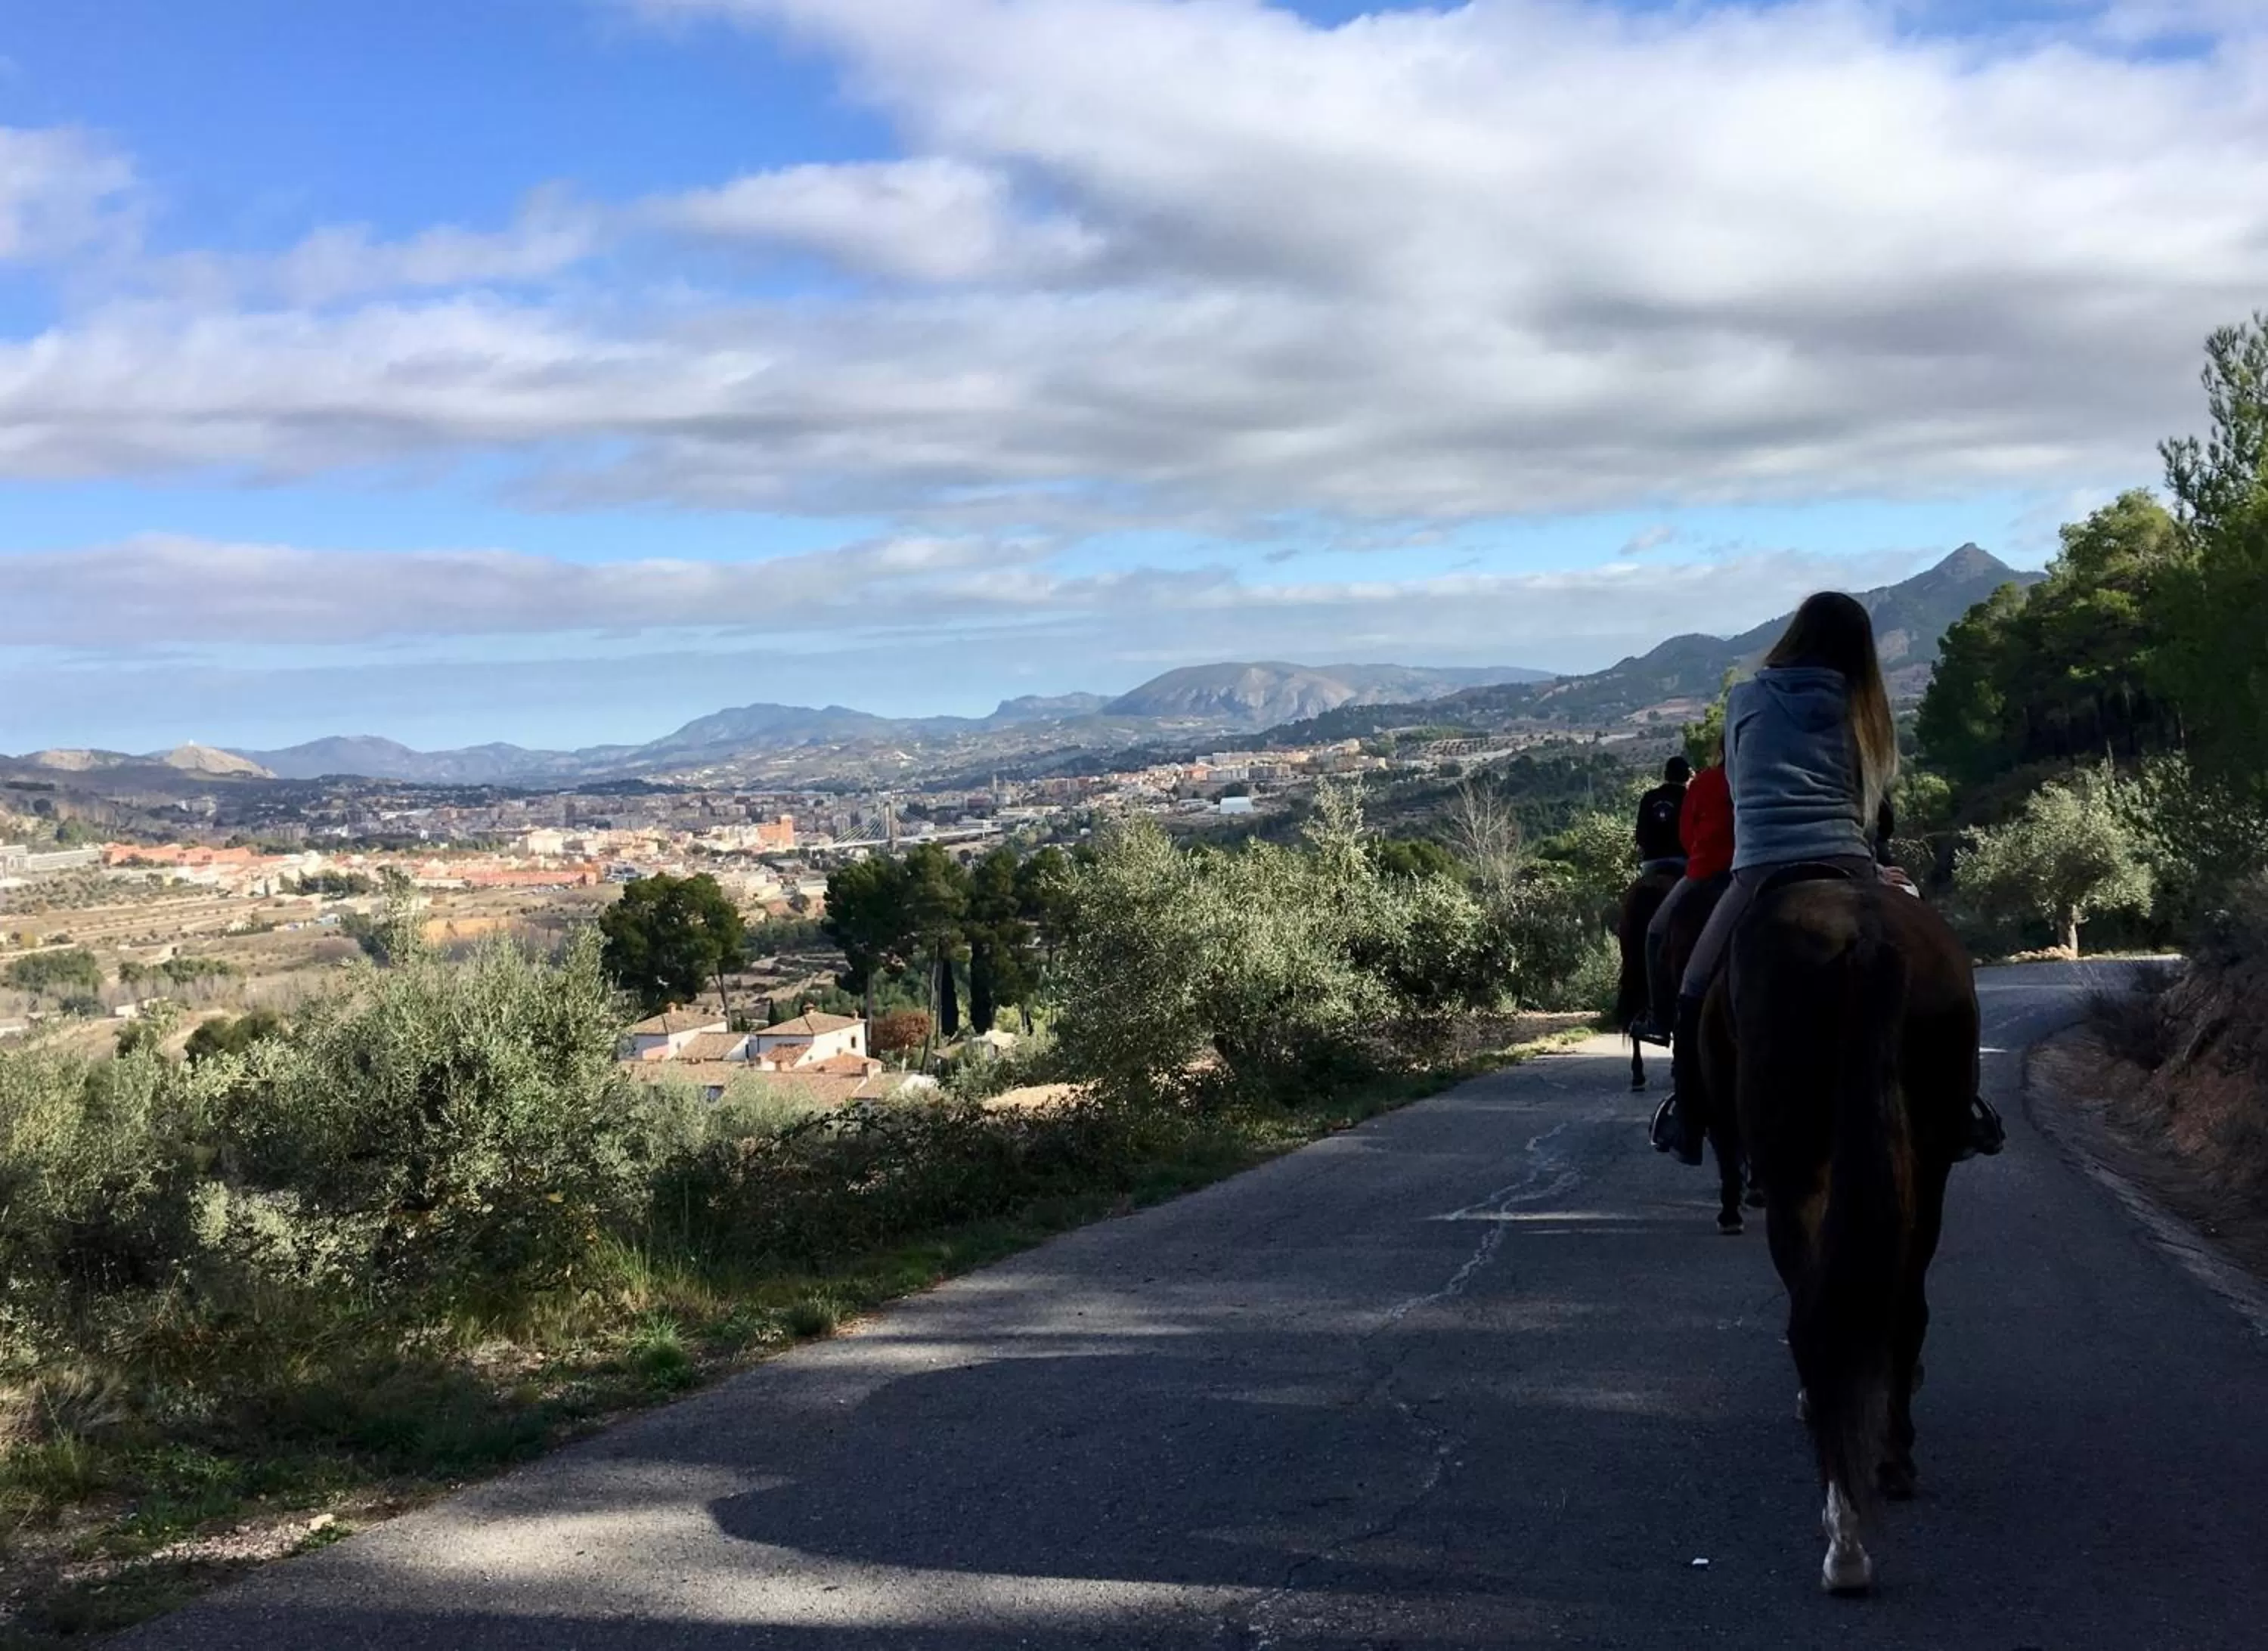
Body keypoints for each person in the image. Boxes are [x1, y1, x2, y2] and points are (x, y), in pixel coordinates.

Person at [1652, 591, 2003, 1166]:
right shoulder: (1863, 704)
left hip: (1762, 865)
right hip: (1849, 859)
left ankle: (1688, 1119)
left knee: (1693, 988)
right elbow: (1869, 800)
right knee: (1951, 967)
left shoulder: (1745, 698)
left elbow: (1739, 788)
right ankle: (1963, 1107)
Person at [1640, 738, 1732, 1042]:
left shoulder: (1704, 783)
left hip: (1703, 871)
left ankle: (1659, 1017)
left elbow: (1686, 834)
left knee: (1655, 932)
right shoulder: (1765, 777)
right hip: (1755, 869)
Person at [1634, 756, 1691, 875]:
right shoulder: (1691, 798)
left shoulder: (1649, 797)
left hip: (1651, 862)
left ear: (1666, 775)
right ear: (1687, 776)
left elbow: (1640, 834)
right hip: (1681, 860)